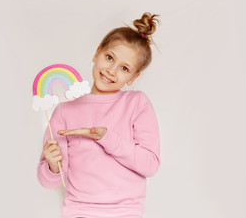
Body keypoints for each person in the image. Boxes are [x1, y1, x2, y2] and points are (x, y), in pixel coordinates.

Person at [37, 12, 161, 218]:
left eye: (124, 68)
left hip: (126, 212)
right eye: (109, 57)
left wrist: (105, 137)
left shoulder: (137, 103)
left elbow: (150, 165)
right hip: (79, 211)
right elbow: (49, 182)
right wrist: (51, 165)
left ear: (133, 77)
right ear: (97, 53)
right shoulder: (65, 111)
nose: (111, 70)